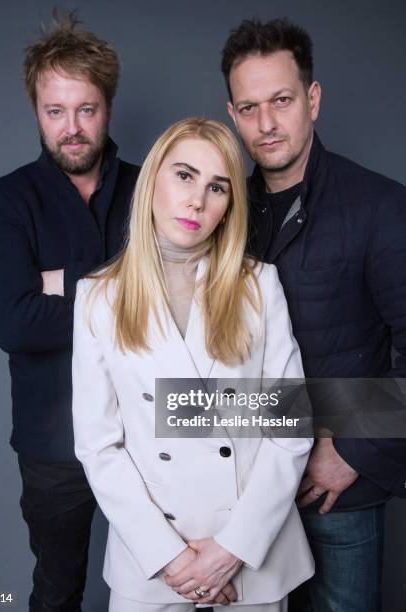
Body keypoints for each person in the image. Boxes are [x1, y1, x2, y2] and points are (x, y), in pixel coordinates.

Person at [72, 117, 314, 612]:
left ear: (229, 206)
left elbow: (289, 427)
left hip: (252, 554)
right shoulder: (97, 297)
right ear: (153, 179)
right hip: (152, 561)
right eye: (184, 175)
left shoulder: (258, 286)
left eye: (217, 187)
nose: (197, 200)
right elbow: (99, 446)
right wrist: (173, 560)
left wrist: (231, 551)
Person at [221, 17, 406, 612]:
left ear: (313, 99)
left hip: (334, 494)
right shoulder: (221, 215)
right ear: (231, 114)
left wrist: (351, 449)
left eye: (281, 100)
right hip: (243, 494)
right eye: (249, 107)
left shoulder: (379, 205)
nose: (266, 123)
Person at [0, 11, 139, 611]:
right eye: (55, 111)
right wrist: (121, 290)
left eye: (86, 110)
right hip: (53, 441)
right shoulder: (3, 200)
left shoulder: (151, 188)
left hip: (148, 431)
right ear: (37, 112)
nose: (72, 128)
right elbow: (14, 323)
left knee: (166, 583)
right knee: (57, 588)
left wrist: (58, 285)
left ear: (108, 108)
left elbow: (182, 304)